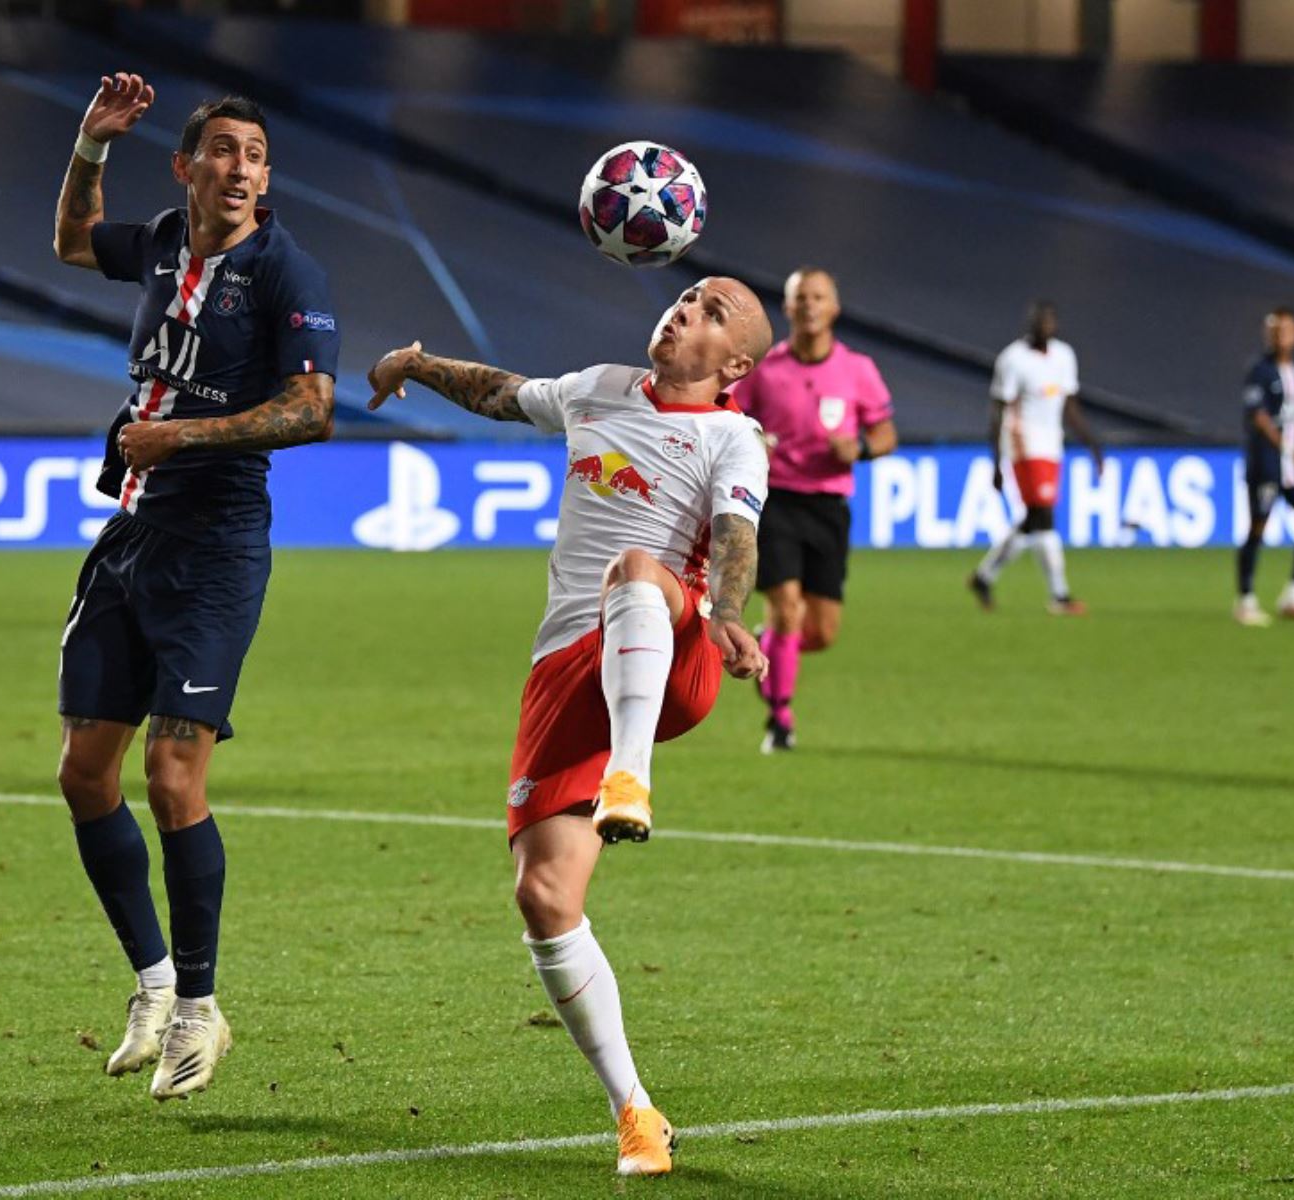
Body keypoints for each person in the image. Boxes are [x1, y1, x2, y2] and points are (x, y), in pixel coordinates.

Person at [367, 276, 774, 1178]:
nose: (683, 310)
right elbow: (506, 394)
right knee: (545, 900)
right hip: (569, 670)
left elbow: (737, 537)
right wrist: (420, 366)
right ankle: (637, 1113)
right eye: (686, 297)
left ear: (737, 363)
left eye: (711, 312)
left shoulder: (734, 437)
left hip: (676, 648)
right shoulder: (598, 389)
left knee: (634, 564)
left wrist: (731, 615)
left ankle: (631, 777)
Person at [51, 74, 337, 1103]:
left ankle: (203, 1013)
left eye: (255, 157)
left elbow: (311, 410)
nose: (241, 170)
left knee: (174, 780)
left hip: (216, 546)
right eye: (223, 151)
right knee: (85, 774)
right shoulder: (165, 240)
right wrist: (90, 145)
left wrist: (185, 435)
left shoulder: (281, 270)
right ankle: (154, 983)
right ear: (187, 166)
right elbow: (74, 242)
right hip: (132, 531)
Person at [730, 268, 895, 754]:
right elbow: (730, 417)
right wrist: (755, 441)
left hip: (828, 505)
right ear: (788, 307)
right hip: (775, 499)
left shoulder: (858, 369)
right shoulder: (764, 368)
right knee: (787, 607)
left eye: (818, 297)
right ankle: (780, 719)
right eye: (801, 297)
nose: (809, 305)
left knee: (819, 631)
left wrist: (860, 450)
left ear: (834, 308)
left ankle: (771, 647)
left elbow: (886, 434)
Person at [968, 301, 1104, 616]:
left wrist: (1091, 443)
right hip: (1023, 443)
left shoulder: (1064, 356)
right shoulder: (1012, 360)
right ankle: (1059, 595)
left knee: (1032, 521)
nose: (1044, 326)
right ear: (1029, 324)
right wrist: (996, 461)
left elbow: (1069, 404)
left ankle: (983, 577)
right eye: (1038, 321)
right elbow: (998, 409)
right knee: (1044, 517)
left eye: (1049, 321)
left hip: (1051, 445)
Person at [1236, 306, 1294, 627]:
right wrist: (1292, 450)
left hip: (1293, 467)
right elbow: (1258, 417)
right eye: (1274, 330)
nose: (1279, 336)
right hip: (1267, 465)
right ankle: (1245, 600)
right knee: (1257, 529)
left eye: (1285, 330)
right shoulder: (1259, 371)